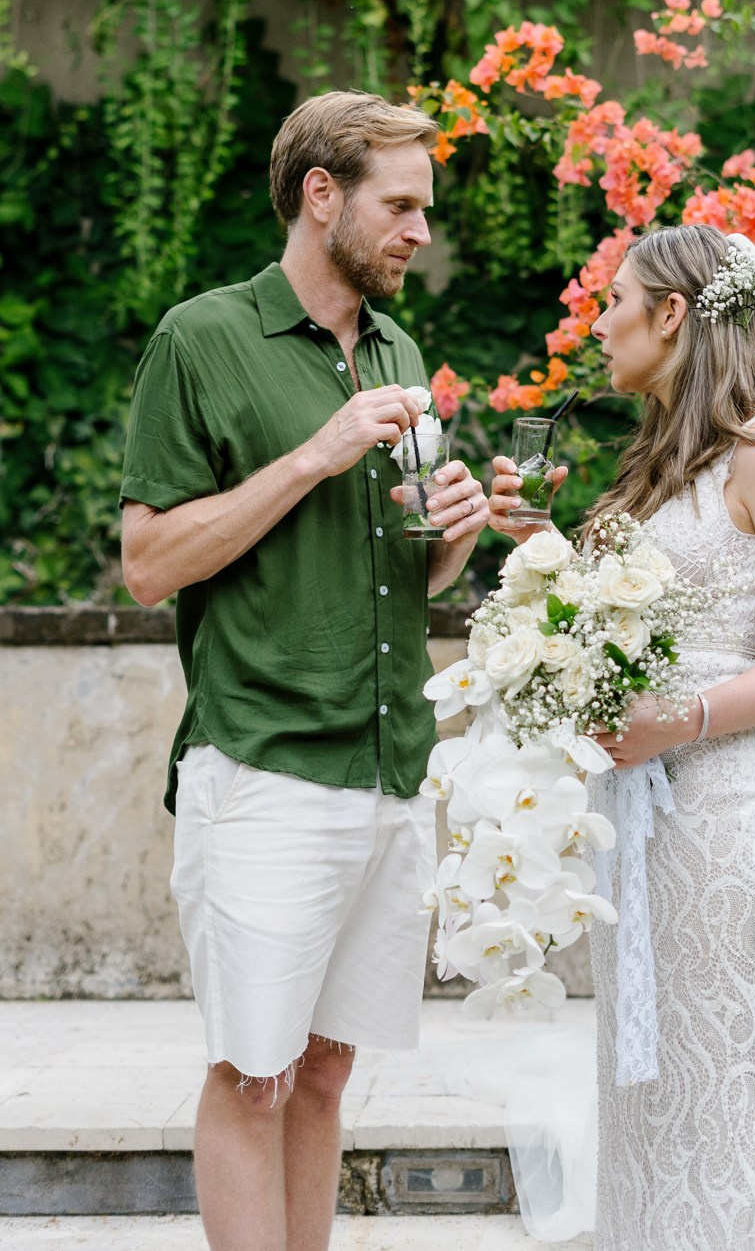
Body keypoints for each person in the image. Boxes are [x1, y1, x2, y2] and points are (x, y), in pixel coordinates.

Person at [488, 225, 755, 1249]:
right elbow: (641, 628)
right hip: (637, 817)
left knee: (721, 1071)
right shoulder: (663, 460)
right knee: (646, 1080)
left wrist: (683, 720)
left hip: (724, 812)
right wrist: (541, 552)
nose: (598, 326)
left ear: (672, 314)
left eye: (615, 303)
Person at [120, 90, 490, 1251]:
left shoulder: (398, 348)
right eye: (401, 205)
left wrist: (460, 530)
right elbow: (147, 563)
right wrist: (313, 456)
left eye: (424, 208)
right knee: (257, 1076)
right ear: (320, 195)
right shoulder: (201, 337)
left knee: (327, 1077)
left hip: (388, 768)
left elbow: (407, 579)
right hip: (267, 766)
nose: (420, 231)